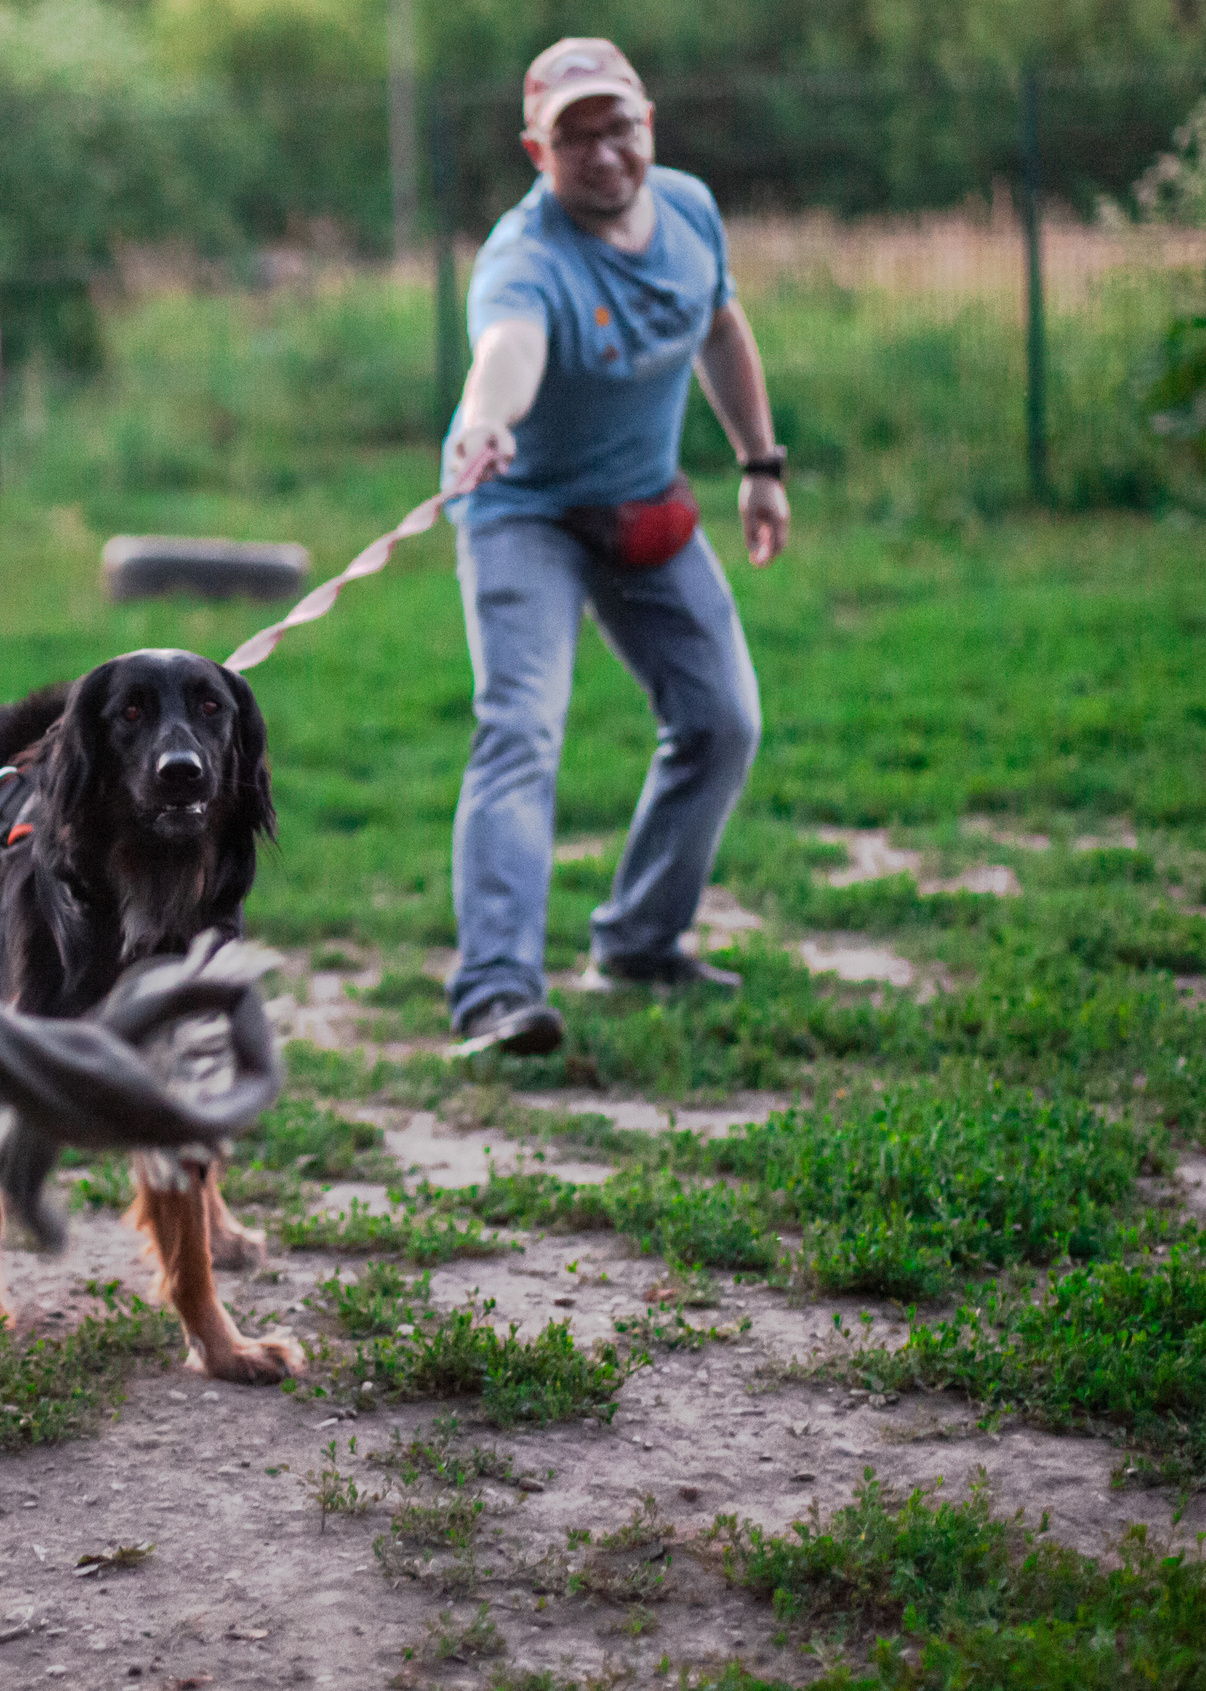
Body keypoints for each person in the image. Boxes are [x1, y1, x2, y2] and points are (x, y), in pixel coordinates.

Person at [440, 37, 790, 1057]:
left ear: (650, 124)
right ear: (534, 151)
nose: (601, 153)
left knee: (722, 720)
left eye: (616, 127)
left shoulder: (688, 210)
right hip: (523, 513)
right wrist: (485, 422)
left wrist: (759, 463)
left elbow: (721, 328)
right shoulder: (526, 256)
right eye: (572, 136)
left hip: (643, 510)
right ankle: (496, 994)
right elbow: (507, 350)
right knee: (521, 730)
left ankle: (638, 943)